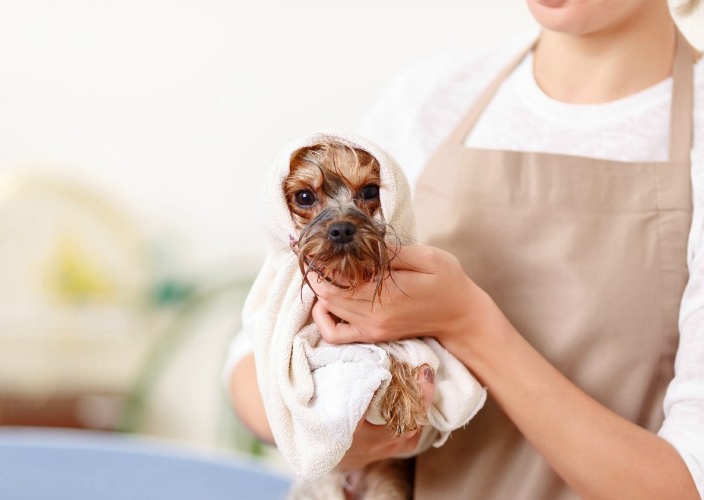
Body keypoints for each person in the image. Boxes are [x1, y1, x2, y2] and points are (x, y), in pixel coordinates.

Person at [226, 0, 704, 497]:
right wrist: (334, 431)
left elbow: (688, 485)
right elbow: (251, 356)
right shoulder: (431, 98)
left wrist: (470, 325)